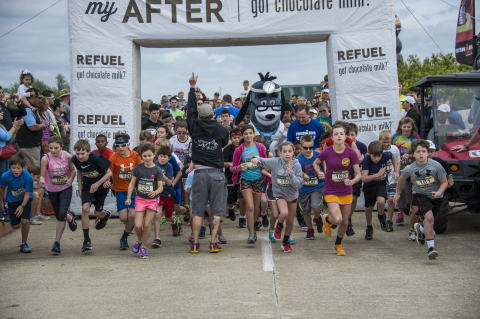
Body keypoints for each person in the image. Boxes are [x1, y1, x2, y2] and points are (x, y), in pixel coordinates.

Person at [186, 73, 229, 253]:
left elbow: (190, 109)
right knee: (216, 211)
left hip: (200, 173)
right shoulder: (220, 128)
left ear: (198, 116)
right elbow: (224, 143)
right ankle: (213, 243)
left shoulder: (194, 126)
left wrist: (192, 87)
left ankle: (195, 244)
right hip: (217, 173)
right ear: (213, 114)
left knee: (197, 211)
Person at [394, 139, 448, 260]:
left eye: (424, 151)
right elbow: (401, 179)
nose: (421, 154)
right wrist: (397, 193)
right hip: (420, 195)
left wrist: (439, 192)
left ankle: (421, 228)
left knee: (431, 221)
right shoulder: (410, 168)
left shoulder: (436, 165)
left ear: (428, 153)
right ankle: (431, 248)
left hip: (436, 196)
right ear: (413, 154)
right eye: (418, 151)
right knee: (429, 218)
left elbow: (444, 182)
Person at [313, 123, 361, 256]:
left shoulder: (351, 153)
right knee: (338, 219)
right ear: (332, 138)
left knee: (345, 221)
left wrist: (351, 181)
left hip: (346, 191)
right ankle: (328, 219)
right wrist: (319, 172)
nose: (339, 136)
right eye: (336, 134)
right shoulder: (327, 151)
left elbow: (358, 174)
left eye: (341, 134)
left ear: (346, 137)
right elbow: (315, 163)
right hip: (331, 190)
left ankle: (338, 245)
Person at [251, 142, 303, 252]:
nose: (287, 154)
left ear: (293, 152)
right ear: (280, 153)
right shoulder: (275, 162)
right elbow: (262, 160)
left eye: (290, 151)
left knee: (290, 221)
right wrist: (255, 158)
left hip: (292, 194)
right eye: (284, 151)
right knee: (283, 213)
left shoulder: (297, 165)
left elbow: (298, 185)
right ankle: (278, 226)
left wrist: (292, 175)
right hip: (280, 193)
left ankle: (286, 242)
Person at [72, 139, 113, 252]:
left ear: (89, 152)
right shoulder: (75, 159)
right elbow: (79, 171)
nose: (80, 156)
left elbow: (109, 173)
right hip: (87, 185)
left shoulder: (97, 158)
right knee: (85, 209)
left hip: (100, 186)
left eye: (82, 153)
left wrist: (97, 183)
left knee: (97, 213)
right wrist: (80, 188)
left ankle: (105, 215)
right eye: (77, 153)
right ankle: (86, 240)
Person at [39, 136, 77, 254]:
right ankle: (70, 217)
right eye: (51, 148)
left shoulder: (67, 156)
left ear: (61, 147)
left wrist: (71, 179)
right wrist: (41, 180)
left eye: (56, 148)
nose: (53, 150)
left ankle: (57, 243)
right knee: (59, 215)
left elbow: (73, 170)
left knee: (61, 215)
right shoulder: (45, 159)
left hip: (65, 188)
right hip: (52, 190)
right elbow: (42, 175)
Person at [126, 143, 164, 259]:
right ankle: (139, 240)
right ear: (141, 156)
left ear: (154, 155)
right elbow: (132, 183)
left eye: (149, 156)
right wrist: (128, 198)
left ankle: (143, 247)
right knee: (137, 225)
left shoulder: (157, 170)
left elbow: (161, 186)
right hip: (140, 199)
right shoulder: (138, 168)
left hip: (152, 200)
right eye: (144, 156)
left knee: (147, 225)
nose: (147, 158)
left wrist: (155, 192)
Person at [105, 133, 142, 250]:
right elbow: (108, 171)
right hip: (120, 190)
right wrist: (107, 181)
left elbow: (142, 170)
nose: (120, 148)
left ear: (128, 145)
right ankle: (128, 228)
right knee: (123, 218)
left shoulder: (135, 156)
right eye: (117, 146)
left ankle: (124, 238)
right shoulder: (113, 157)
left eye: (123, 145)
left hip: (134, 190)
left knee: (131, 215)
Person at [231, 125, 267, 244]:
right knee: (250, 207)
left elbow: (266, 162)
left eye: (250, 133)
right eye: (245, 133)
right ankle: (251, 234)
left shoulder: (260, 147)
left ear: (253, 134)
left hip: (258, 179)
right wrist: (238, 168)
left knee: (256, 208)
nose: (248, 136)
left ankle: (254, 223)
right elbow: (233, 168)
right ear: (242, 135)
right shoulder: (239, 149)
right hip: (245, 179)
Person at [361, 141, 398, 239]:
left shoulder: (386, 155)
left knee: (381, 201)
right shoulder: (367, 160)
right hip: (369, 185)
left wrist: (396, 170)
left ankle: (381, 215)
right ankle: (369, 227)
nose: (376, 159)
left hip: (381, 183)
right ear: (369, 153)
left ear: (382, 153)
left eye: (379, 156)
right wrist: (378, 174)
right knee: (369, 208)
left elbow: (393, 155)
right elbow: (363, 178)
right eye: (374, 156)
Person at [392, 117, 420, 237]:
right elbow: (392, 150)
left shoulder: (416, 138)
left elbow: (420, 151)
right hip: (399, 167)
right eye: (404, 127)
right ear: (401, 127)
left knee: (410, 190)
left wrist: (409, 156)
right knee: (401, 189)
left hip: (412, 167)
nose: (406, 129)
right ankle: (400, 211)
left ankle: (410, 208)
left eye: (409, 127)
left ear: (412, 127)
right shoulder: (396, 137)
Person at [0, 153, 34, 253]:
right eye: (13, 168)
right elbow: (1, 188)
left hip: (25, 199)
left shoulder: (27, 176)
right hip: (12, 201)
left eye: (18, 168)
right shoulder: (5, 176)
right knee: (15, 226)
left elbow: (27, 194)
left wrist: (22, 206)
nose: (15, 170)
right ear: (10, 167)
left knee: (24, 221)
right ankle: (21, 224)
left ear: (23, 168)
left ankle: (24, 243)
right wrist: (1, 202)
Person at [297, 135, 324, 240]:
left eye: (310, 148)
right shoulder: (299, 158)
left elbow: (325, 163)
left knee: (316, 207)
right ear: (301, 147)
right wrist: (303, 174)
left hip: (317, 186)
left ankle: (317, 218)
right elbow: (295, 169)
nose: (308, 150)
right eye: (305, 148)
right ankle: (310, 229)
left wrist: (323, 173)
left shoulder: (318, 155)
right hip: (303, 188)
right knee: (306, 211)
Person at [17, 88, 45, 168]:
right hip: (29, 147)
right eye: (39, 98)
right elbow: (32, 127)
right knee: (32, 171)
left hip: (31, 146)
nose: (40, 100)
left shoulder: (30, 109)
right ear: (33, 97)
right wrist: (42, 126)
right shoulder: (26, 109)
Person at [378, 129, 401, 232]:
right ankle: (381, 216)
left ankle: (389, 220)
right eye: (384, 142)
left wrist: (396, 172)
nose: (386, 144)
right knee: (381, 201)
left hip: (392, 178)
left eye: (388, 142)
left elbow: (398, 161)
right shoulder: (377, 149)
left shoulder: (395, 149)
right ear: (380, 140)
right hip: (381, 179)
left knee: (391, 199)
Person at [223, 128, 246, 225]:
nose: (237, 140)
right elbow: (222, 163)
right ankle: (230, 209)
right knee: (230, 200)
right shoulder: (227, 149)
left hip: (243, 177)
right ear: (230, 138)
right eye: (234, 138)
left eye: (239, 137)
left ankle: (242, 218)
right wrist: (232, 164)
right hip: (230, 178)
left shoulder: (245, 148)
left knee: (243, 199)